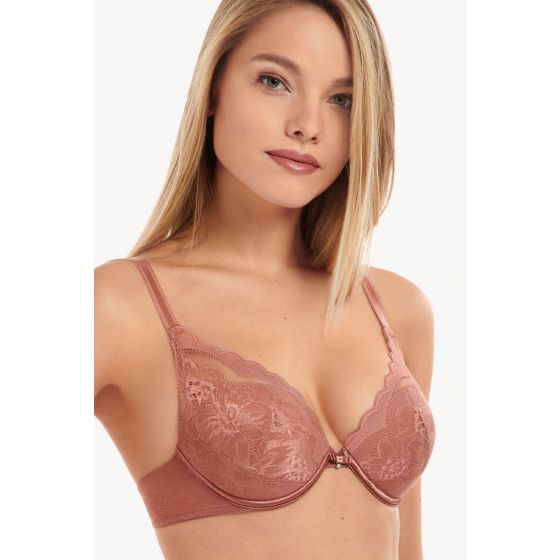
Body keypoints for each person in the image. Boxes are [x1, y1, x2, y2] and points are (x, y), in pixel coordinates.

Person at [94, 1, 436, 558]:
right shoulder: (120, 306)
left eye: (342, 100)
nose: (307, 125)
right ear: (213, 90)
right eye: (275, 81)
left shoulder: (397, 309)